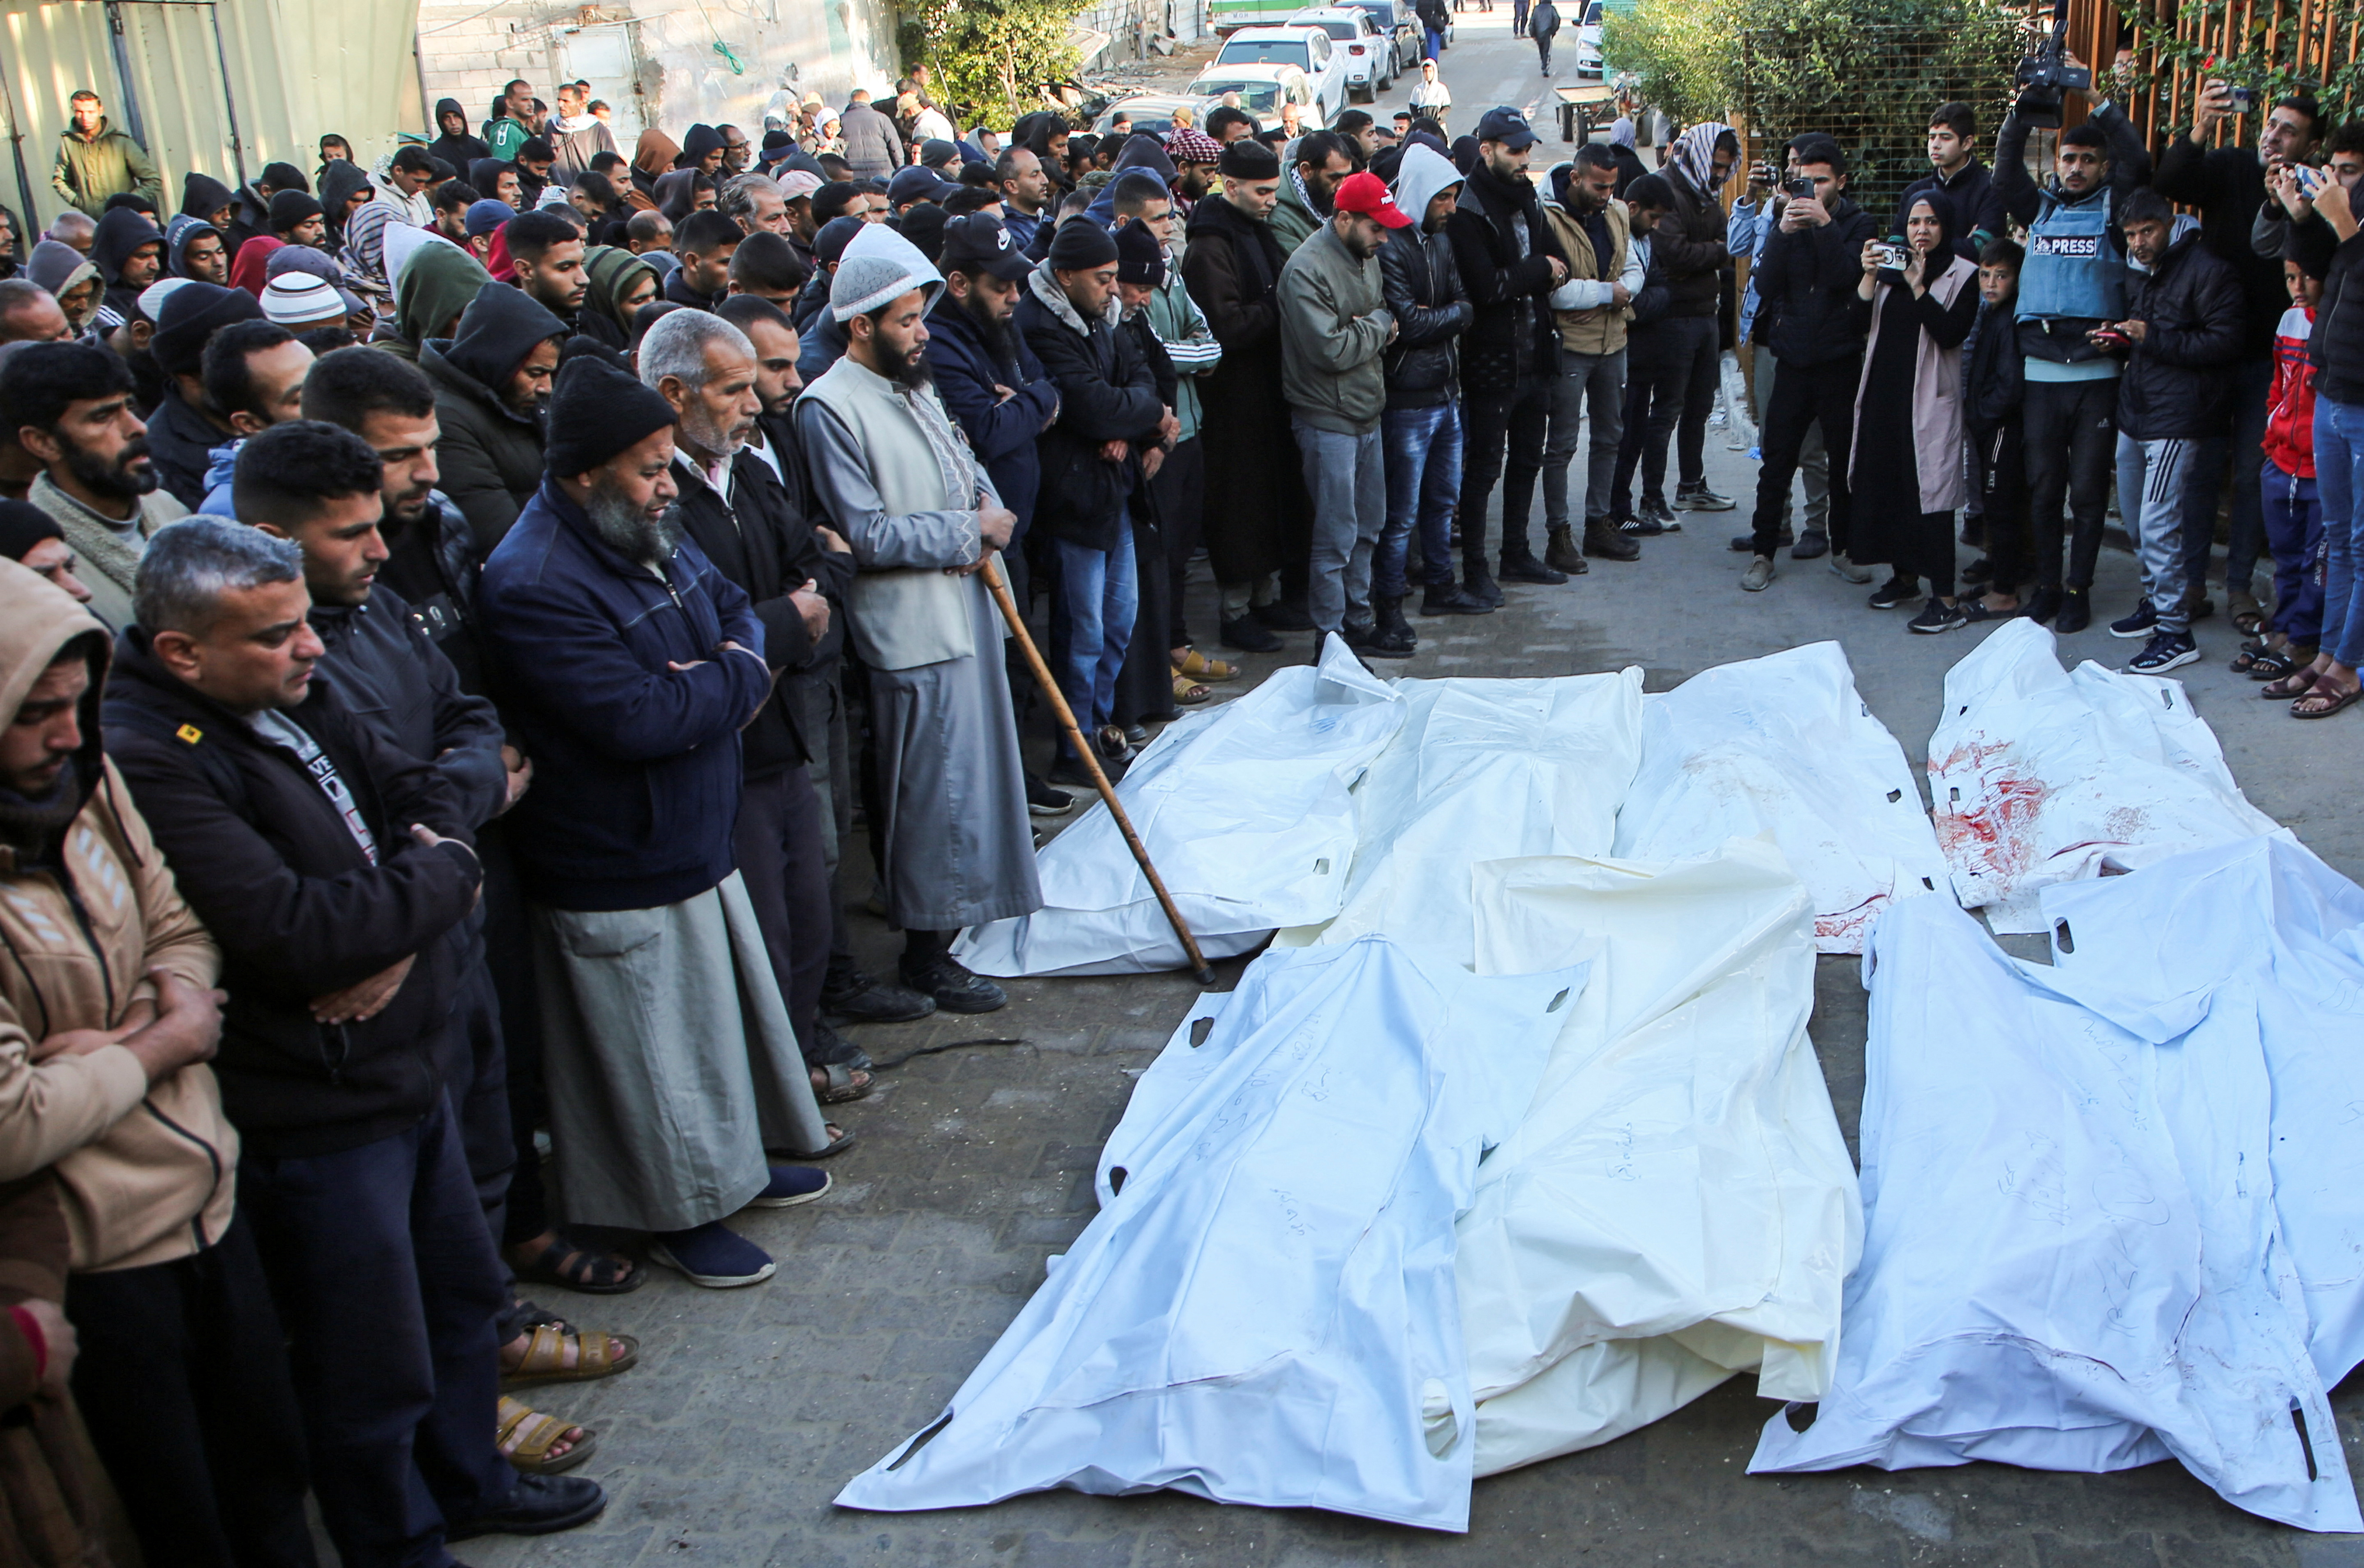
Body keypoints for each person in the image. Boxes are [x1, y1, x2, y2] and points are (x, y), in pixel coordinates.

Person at [105, 519, 607, 1564]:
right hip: (318, 1116)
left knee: (461, 1308)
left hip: (410, 1069)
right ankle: (397, 1541)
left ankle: (470, 1483)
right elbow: (295, 936)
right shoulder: (154, 758)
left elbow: (430, 788)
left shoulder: (292, 686)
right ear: (181, 654)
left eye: (303, 626)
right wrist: (433, 883)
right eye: (275, 635)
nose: (313, 649)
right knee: (365, 1361)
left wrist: (424, 885)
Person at [476, 353, 836, 1286]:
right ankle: (677, 1215)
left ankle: (735, 1173)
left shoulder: (642, 527)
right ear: (585, 472)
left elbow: (735, 617)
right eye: (646, 467)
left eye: (667, 463)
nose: (664, 485)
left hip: (689, 834)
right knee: (650, 1056)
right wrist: (732, 679)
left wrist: (724, 673)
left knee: (706, 1036)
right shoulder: (537, 579)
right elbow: (640, 719)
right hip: (614, 857)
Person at [0, 551, 315, 1568]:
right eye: (32, 712)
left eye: (75, 703)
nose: (66, 733)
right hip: (96, 1261)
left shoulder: (88, 782)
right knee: (178, 1518)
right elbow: (13, 1120)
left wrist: (127, 1040)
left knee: (268, 1478)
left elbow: (179, 926)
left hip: (208, 1200)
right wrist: (167, 1041)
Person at [796, 224, 1043, 1006]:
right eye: (906, 319)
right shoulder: (828, 406)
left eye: (921, 315)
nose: (922, 331)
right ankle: (926, 949)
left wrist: (985, 515)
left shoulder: (918, 383)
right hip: (910, 626)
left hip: (966, 605)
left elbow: (965, 469)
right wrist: (968, 531)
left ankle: (963, 921)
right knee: (932, 793)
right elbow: (864, 532)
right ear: (861, 324)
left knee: (972, 782)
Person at [637, 309, 869, 1106]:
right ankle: (770, 1095)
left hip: (779, 732)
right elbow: (698, 625)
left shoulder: (750, 472)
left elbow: (826, 564)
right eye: (737, 388)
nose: (760, 403)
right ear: (676, 394)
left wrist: (788, 614)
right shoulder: (656, 495)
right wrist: (784, 619)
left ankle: (796, 1062)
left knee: (806, 906)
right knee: (759, 929)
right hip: (719, 745)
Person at [2159, 83, 2322, 638]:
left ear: (2309, 145)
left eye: (2289, 132)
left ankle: (2238, 588)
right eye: (2271, 125)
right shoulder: (2229, 166)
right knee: (2201, 470)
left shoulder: (2312, 193)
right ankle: (2192, 584)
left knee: (2253, 476)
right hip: (2210, 352)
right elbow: (2171, 181)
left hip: (2269, 361)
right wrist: (2201, 123)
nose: (2274, 137)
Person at [1993, 83, 2152, 634]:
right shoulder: (2039, 207)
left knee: (2086, 491)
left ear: (2103, 167)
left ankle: (2078, 591)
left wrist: (2092, 96)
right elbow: (2005, 169)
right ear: (2056, 162)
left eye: (2088, 159)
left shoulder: (2114, 211)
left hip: (2095, 374)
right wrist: (2021, 110)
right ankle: (2047, 588)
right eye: (2068, 158)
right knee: (2044, 488)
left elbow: (2138, 158)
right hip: (2040, 374)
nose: (2077, 167)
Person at [1018, 218, 1168, 779]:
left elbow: (1141, 377)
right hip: (1073, 500)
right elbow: (1088, 404)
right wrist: (1136, 416)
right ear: (1065, 276)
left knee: (1117, 622)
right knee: (1081, 633)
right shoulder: (1040, 323)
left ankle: (1101, 728)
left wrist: (1131, 421)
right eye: (1103, 278)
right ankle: (1075, 744)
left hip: (1114, 493)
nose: (1114, 289)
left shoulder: (1101, 317)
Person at [2093, 188, 2245, 672]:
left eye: (2146, 231)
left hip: (2177, 418)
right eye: (2131, 234)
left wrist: (2148, 337)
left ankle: (2176, 632)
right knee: (2138, 520)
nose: (2137, 242)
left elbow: (2224, 343)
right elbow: (2149, 341)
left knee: (2159, 524)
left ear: (2170, 223)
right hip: (2137, 409)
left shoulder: (2208, 269)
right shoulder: (2145, 270)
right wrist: (2118, 341)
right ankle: (2159, 602)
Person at [1183, 136, 1308, 652]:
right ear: (1229, 186)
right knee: (1241, 507)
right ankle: (1236, 610)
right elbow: (1226, 326)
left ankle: (1264, 599)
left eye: (1274, 192)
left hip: (1268, 393)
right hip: (1234, 403)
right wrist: (1278, 306)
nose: (1270, 201)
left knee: (1271, 499)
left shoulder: (1255, 230)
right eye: (1260, 192)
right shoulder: (1211, 245)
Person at [1107, 186, 1226, 706]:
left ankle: (1177, 644)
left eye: (1171, 217)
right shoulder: (1118, 297)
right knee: (1151, 561)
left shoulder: (1168, 272)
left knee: (1178, 551)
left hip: (1187, 429)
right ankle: (1158, 661)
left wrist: (1183, 366)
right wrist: (1157, 421)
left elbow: (1208, 342)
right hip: (1150, 445)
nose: (1170, 228)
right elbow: (1150, 367)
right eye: (1158, 219)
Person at [1739, 137, 1876, 592]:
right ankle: (1763, 553)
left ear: (1840, 181)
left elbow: (1846, 279)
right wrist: (1783, 229)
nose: (1813, 190)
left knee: (1842, 463)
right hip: (1793, 359)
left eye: (1821, 181)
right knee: (1776, 461)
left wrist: (1823, 227)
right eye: (1806, 180)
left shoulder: (1858, 224)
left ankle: (1843, 550)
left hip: (1839, 358)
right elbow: (1766, 281)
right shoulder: (1788, 221)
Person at [1447, 107, 1571, 603]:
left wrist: (1535, 269)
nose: (1523, 159)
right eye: (1514, 150)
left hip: (1535, 353)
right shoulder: (1468, 209)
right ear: (1487, 150)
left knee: (1527, 460)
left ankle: (1516, 553)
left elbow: (1555, 259)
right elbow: (1488, 288)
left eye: (1526, 150)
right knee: (1483, 469)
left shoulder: (1527, 198)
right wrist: (1537, 268)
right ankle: (1476, 569)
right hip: (1492, 360)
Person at [1279, 168, 1404, 657]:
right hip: (1327, 417)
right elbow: (1329, 350)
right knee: (1335, 536)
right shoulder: (1306, 269)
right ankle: (1329, 639)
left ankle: (1358, 622)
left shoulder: (1363, 254)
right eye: (1376, 227)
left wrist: (1368, 326)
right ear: (1345, 218)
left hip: (1365, 410)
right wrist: (1377, 326)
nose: (1383, 237)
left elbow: (1380, 317)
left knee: (1367, 527)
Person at [1842, 188, 1981, 630]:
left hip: (1929, 403)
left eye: (1932, 223)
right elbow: (1853, 324)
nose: (1922, 231)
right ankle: (1903, 578)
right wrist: (1867, 277)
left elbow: (1949, 332)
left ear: (1946, 227)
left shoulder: (1963, 274)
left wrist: (1919, 285)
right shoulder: (1888, 269)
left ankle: (1945, 598)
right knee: (1889, 487)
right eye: (1915, 222)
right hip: (1886, 395)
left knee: (1932, 498)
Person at [6, 341, 190, 626]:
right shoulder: (38, 560)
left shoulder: (169, 508)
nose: (137, 427)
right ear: (44, 442)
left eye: (130, 406)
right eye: (102, 417)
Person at [1378, 142, 1480, 626]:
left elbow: (1465, 305)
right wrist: (1443, 318)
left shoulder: (1441, 239)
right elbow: (1407, 325)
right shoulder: (1390, 244)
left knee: (1442, 501)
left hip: (1445, 391)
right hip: (1407, 400)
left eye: (1455, 197)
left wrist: (1436, 317)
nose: (1451, 208)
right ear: (1422, 194)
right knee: (1401, 514)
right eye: (1444, 198)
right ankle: (1390, 605)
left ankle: (1441, 586)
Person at [1727, 134, 1839, 552]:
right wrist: (1756, 199)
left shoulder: (1825, 218)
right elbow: (1737, 248)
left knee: (1811, 444)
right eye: (1789, 165)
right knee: (1772, 442)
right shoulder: (1775, 211)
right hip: (1766, 336)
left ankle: (1816, 527)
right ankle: (1776, 525)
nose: (1793, 174)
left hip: (1806, 342)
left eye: (1801, 168)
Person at [1538, 143, 1645, 571]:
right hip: (1570, 347)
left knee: (1609, 437)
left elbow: (1635, 271)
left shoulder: (1617, 213)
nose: (1606, 195)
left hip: (1613, 341)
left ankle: (1598, 524)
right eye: (1599, 187)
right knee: (1561, 444)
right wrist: (1607, 292)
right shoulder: (1547, 216)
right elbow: (1554, 290)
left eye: (1612, 187)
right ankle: (1558, 534)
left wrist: (1610, 294)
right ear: (1576, 179)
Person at [420, 279, 565, 554]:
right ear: (498, 361)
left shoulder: (521, 401)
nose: (547, 387)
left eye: (550, 373)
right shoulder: (447, 421)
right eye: (535, 374)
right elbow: (501, 535)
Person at [1650, 121, 1740, 521]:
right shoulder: (1665, 191)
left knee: (1700, 406)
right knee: (1668, 408)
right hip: (1674, 318)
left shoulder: (1706, 195)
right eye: (1716, 166)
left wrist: (1711, 252)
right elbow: (1675, 254)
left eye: (1725, 168)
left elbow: (1727, 241)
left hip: (1704, 313)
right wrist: (1717, 253)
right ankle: (1652, 498)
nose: (1720, 175)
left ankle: (1691, 486)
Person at [1962, 238, 2031, 623]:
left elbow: (2011, 385)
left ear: (2017, 280)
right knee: (1995, 508)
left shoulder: (2010, 321)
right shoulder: (1990, 314)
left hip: (2002, 429)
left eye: (2001, 276)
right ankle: (2000, 581)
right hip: (1988, 425)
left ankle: (2005, 593)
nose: (1990, 284)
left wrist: (1983, 416)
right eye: (1985, 275)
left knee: (2003, 508)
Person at [1893, 102, 2006, 263]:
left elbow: (1983, 248)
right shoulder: (1914, 192)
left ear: (1967, 143)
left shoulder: (1990, 188)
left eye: (1946, 138)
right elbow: (1896, 249)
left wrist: (1922, 248)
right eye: (1932, 137)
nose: (1936, 145)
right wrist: (1962, 245)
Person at [50, 91, 162, 217]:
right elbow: (60, 180)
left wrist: (129, 203)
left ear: (100, 111)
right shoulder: (69, 143)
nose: (85, 117)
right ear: (73, 111)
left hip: (127, 220)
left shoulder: (121, 142)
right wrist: (80, 202)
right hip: (94, 223)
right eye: (79, 112)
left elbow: (153, 180)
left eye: (91, 112)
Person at [504, 209, 602, 343]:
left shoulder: (601, 327)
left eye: (582, 264)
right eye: (565, 268)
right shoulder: (506, 340)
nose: (584, 280)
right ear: (525, 270)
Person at [1271, 131, 1353, 255]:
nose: (1342, 187)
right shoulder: (1279, 219)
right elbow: (1307, 271)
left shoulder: (1332, 201)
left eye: (1346, 176)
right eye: (1334, 178)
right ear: (1306, 171)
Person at [667, 210, 742, 308]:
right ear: (693, 262)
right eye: (726, 263)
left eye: (738, 261)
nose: (736, 270)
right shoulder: (667, 313)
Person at [548, 80, 619, 181]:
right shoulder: (551, 126)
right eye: (559, 100)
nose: (560, 105)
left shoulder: (597, 129)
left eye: (566, 101)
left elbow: (611, 163)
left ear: (579, 103)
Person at [839, 91, 903, 182]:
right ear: (869, 101)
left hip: (854, 174)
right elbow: (895, 147)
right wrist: (900, 170)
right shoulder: (882, 118)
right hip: (882, 172)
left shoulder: (841, 120)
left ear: (851, 102)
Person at [431, 98, 492, 175]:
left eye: (456, 116)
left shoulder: (480, 147)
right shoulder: (435, 152)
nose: (453, 122)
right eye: (447, 118)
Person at [1410, 59, 1452, 133]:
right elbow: (1413, 107)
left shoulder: (1442, 88)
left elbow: (1447, 107)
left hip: (1438, 125)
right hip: (1423, 126)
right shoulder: (1418, 89)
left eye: (1430, 71)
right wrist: (1418, 119)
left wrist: (1440, 116)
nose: (1428, 74)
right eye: (1426, 71)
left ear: (1434, 72)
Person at [1528, 0, 1560, 74]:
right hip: (1548, 32)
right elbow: (1557, 19)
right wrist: (1553, 31)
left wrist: (1532, 33)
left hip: (1538, 33)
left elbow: (1532, 22)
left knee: (1541, 49)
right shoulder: (1552, 9)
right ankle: (1544, 66)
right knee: (1546, 50)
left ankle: (1544, 64)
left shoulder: (1536, 9)